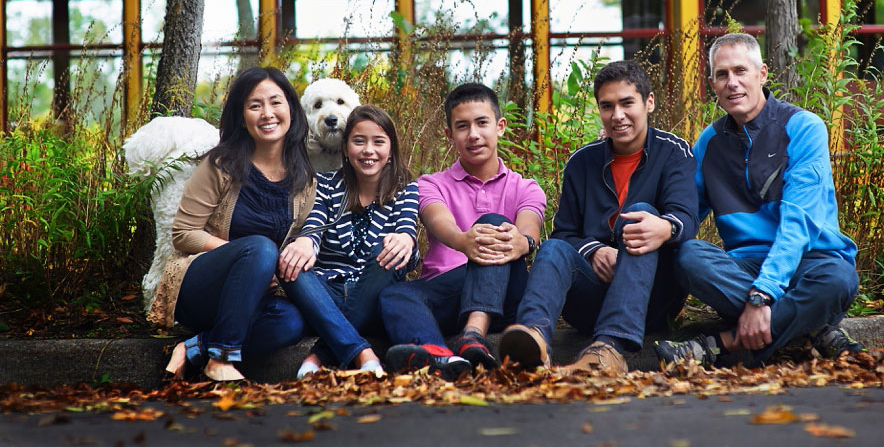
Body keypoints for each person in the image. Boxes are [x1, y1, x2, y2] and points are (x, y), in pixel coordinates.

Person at [152, 67, 377, 381]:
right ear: (242, 115)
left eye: (276, 103)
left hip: (257, 295)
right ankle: (221, 360)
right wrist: (251, 260)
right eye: (255, 105)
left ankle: (194, 348)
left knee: (291, 323)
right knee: (261, 247)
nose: (267, 113)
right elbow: (183, 234)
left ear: (290, 110)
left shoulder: (303, 177)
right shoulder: (221, 164)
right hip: (201, 286)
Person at [653, 33, 863, 368]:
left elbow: (799, 223)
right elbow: (685, 212)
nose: (732, 83)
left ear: (762, 74)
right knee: (690, 256)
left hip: (810, 261)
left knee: (839, 279)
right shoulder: (709, 143)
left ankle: (719, 346)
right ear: (712, 83)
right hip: (745, 267)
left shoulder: (803, 127)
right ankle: (811, 330)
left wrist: (761, 295)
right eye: (722, 75)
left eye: (741, 71)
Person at [499, 60, 698, 375]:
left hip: (652, 298)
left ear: (649, 102)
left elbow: (687, 220)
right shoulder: (582, 162)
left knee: (642, 215)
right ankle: (533, 339)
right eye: (607, 106)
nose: (617, 115)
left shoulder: (674, 152)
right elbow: (565, 233)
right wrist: (594, 251)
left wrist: (664, 227)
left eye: (626, 103)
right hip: (592, 297)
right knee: (552, 248)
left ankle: (609, 348)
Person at [378, 83, 547, 380]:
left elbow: (529, 226)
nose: (473, 134)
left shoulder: (526, 187)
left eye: (482, 123)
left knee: (494, 223)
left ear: (500, 127)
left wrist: (524, 242)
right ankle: (441, 357)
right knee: (395, 293)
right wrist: (461, 241)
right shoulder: (431, 184)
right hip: (448, 291)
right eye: (462, 126)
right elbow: (437, 220)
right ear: (449, 135)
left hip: (506, 294)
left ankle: (473, 333)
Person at [277, 105, 418, 379]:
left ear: (390, 149)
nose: (368, 150)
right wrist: (306, 241)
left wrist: (405, 241)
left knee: (387, 252)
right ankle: (363, 354)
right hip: (325, 291)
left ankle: (320, 355)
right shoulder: (327, 184)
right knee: (291, 264)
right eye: (359, 141)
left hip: (373, 294)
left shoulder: (405, 188)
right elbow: (314, 226)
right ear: (345, 148)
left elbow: (407, 239)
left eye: (378, 142)